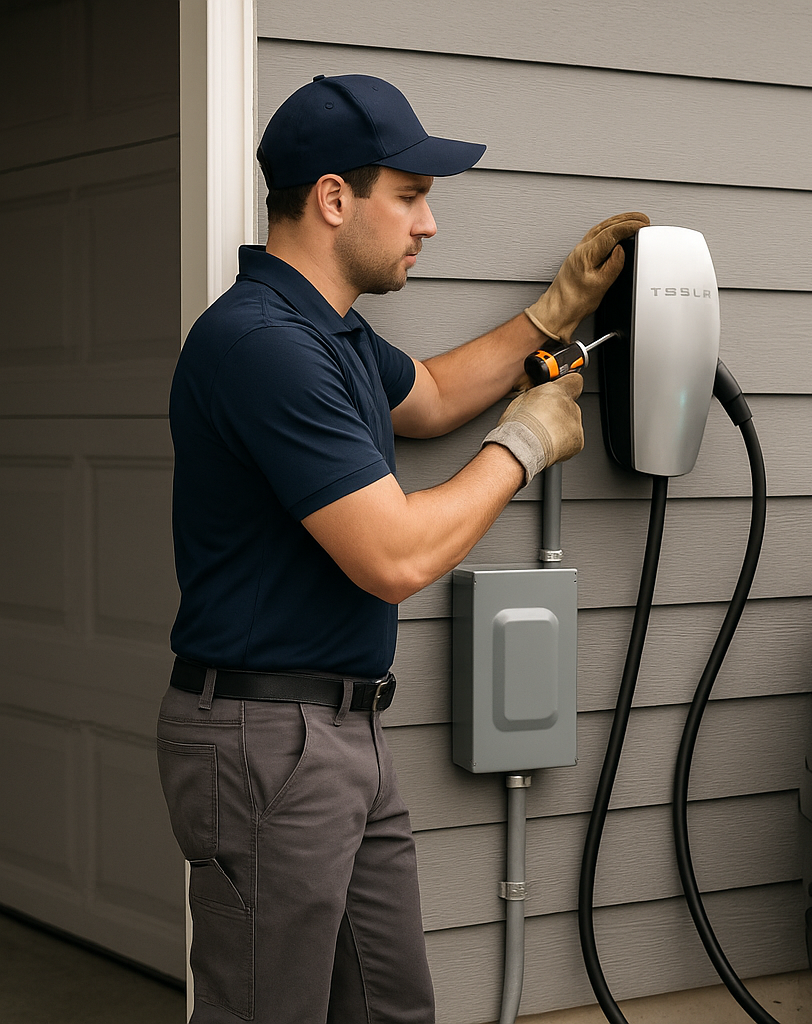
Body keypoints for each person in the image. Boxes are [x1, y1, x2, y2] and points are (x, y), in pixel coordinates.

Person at [155, 73, 646, 1022]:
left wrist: (555, 311)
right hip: (267, 742)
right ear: (335, 199)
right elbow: (395, 557)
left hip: (342, 731)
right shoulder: (262, 345)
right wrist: (525, 444)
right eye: (411, 197)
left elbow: (425, 394)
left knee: (390, 1009)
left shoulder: (329, 332)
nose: (429, 226)